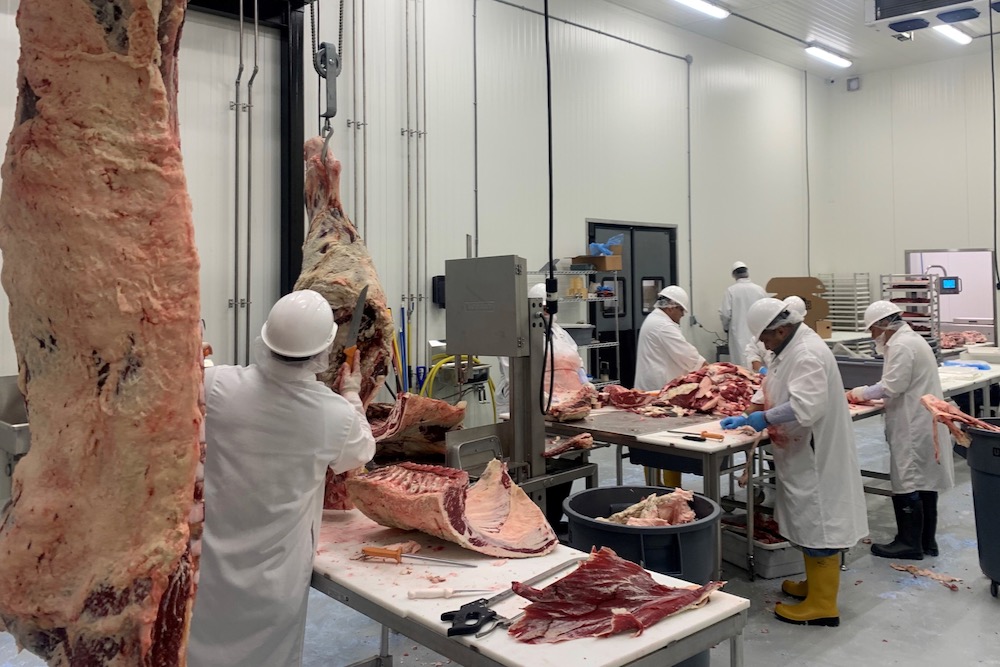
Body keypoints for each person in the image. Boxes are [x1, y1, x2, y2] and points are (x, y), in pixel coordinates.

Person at [188, 290, 377, 667]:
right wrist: (352, 392)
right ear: (323, 354)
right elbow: (362, 450)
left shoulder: (217, 387)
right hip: (274, 577)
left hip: (211, 563)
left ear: (264, 339)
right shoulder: (331, 415)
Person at [721, 297, 868, 627]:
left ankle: (823, 604)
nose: (763, 343)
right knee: (806, 520)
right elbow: (774, 382)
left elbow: (806, 406)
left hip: (815, 455)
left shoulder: (807, 353)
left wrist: (764, 418)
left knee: (819, 521)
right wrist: (753, 408)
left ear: (783, 328)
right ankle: (813, 587)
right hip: (799, 451)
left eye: (766, 337)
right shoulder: (788, 349)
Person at [846, 301, 954, 560]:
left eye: (872, 330)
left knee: (907, 479)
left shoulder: (902, 345)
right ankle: (927, 541)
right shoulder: (911, 340)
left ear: (883, 325)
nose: (872, 336)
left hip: (913, 424)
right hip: (918, 418)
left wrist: (857, 393)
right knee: (924, 480)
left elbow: (892, 386)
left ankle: (909, 543)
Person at [496, 282, 588, 409]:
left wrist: (584, 382)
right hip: (524, 404)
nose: (546, 313)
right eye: (543, 308)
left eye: (549, 308)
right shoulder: (516, 335)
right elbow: (514, 376)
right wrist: (537, 395)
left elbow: (577, 362)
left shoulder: (559, 332)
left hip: (564, 401)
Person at [634, 285, 706, 391]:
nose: (682, 315)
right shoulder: (663, 326)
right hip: (658, 387)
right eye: (681, 310)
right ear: (671, 307)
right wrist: (712, 370)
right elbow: (686, 355)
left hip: (652, 384)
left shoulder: (655, 319)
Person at [720, 261, 768, 369]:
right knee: (758, 366)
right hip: (759, 333)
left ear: (734, 275)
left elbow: (725, 314)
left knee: (741, 368)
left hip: (738, 334)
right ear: (747, 273)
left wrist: (726, 328)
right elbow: (768, 312)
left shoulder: (731, 291)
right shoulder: (759, 290)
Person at [744, 296, 806, 375]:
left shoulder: (805, 355)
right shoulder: (771, 333)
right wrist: (762, 370)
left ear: (781, 331)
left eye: (766, 341)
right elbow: (752, 354)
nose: (766, 347)